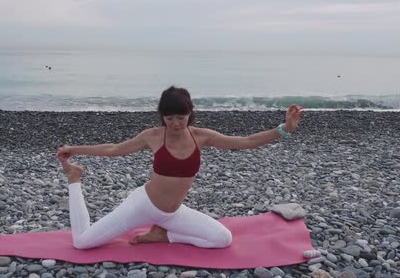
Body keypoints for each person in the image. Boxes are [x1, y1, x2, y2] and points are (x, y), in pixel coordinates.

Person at [56, 86, 305, 250]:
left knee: (222, 239)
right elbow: (113, 149)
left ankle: (163, 234)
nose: (175, 123)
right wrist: (76, 149)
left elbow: (247, 142)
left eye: (181, 117)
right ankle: (74, 179)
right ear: (162, 116)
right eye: (170, 118)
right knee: (81, 242)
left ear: (190, 114)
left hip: (173, 214)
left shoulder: (202, 136)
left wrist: (284, 129)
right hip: (141, 206)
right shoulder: (152, 136)